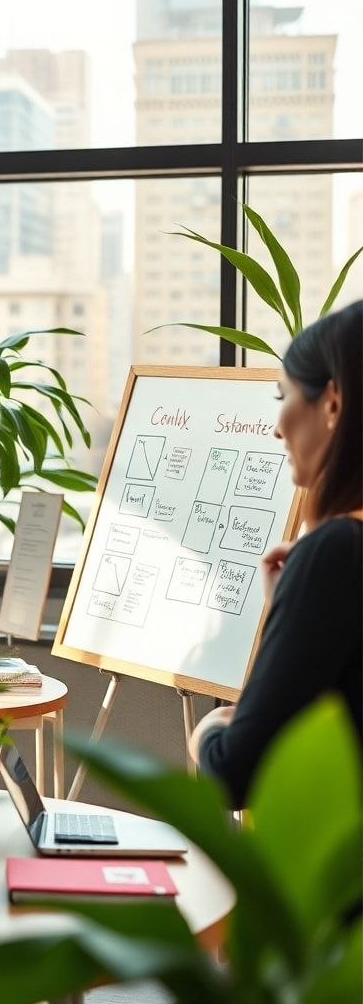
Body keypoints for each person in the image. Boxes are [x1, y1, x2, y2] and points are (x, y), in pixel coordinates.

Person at [191, 300, 362, 808]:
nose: (276, 426)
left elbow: (233, 774)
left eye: (283, 395)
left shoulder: (336, 554)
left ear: (332, 402)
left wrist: (210, 728)